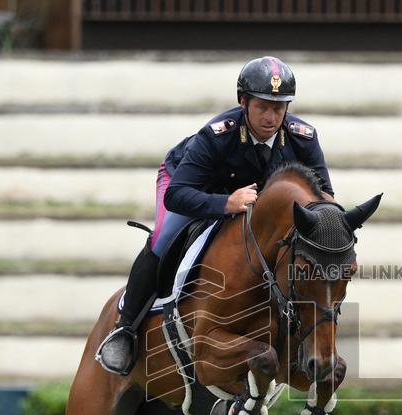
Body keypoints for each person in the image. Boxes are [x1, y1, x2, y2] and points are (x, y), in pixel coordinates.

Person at [96, 55, 334, 375]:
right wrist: (225, 204)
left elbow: (325, 197)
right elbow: (177, 194)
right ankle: (124, 329)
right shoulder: (217, 134)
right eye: (262, 106)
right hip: (191, 185)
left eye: (278, 108)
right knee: (163, 236)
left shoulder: (303, 137)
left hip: (251, 204)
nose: (270, 117)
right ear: (243, 102)